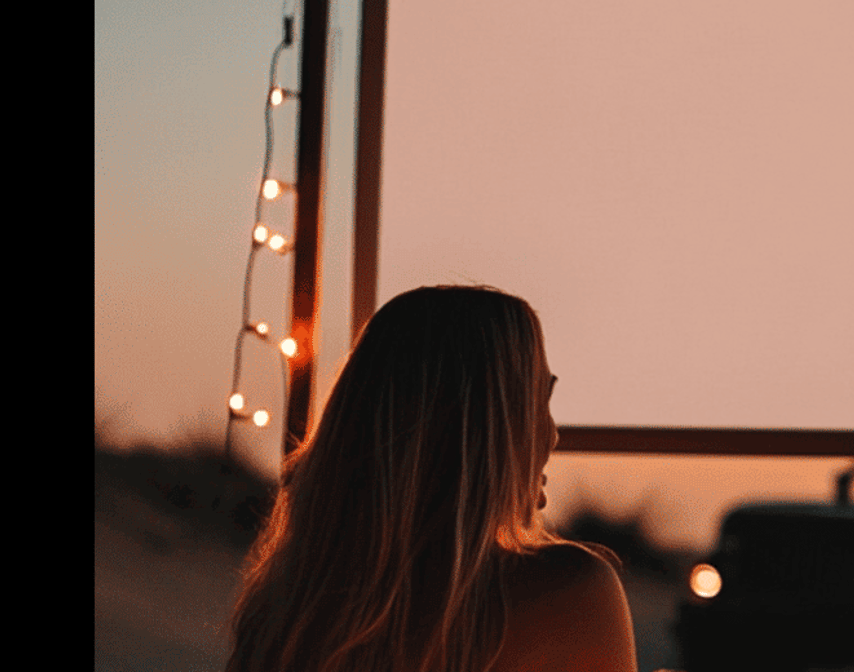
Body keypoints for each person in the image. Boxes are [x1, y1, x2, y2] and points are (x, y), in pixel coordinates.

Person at [227, 286, 636, 672]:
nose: (552, 434)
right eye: (537, 403)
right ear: (483, 430)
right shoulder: (565, 591)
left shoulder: (286, 613)